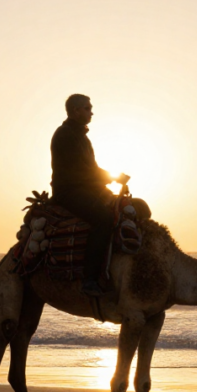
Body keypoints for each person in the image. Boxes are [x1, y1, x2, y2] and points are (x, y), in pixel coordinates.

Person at [50, 94, 129, 297]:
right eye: (87, 108)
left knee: (127, 208)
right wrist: (113, 177)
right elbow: (83, 171)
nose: (91, 111)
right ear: (76, 111)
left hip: (87, 188)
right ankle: (90, 279)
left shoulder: (82, 137)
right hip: (69, 191)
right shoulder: (65, 135)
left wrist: (110, 180)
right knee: (103, 219)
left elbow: (91, 169)